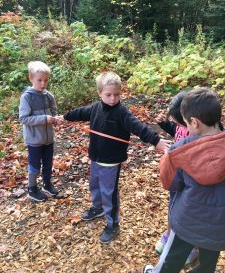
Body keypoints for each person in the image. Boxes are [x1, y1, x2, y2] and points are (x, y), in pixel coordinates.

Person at [59, 71, 170, 244]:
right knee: (94, 185)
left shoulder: (122, 112)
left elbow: (138, 127)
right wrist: (64, 117)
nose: (112, 99)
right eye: (108, 95)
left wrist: (156, 141)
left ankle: (113, 224)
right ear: (100, 93)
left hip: (111, 162)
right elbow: (80, 113)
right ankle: (98, 208)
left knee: (108, 192)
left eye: (116, 95)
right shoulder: (95, 108)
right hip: (95, 157)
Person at [143, 87, 225, 273]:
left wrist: (167, 158)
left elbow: (169, 183)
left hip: (188, 220)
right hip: (220, 224)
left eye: (186, 123)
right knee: (208, 263)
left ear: (194, 122)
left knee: (171, 260)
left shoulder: (179, 151)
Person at [155, 91, 198, 266]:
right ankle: (169, 234)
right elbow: (177, 132)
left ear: (191, 120)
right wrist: (166, 125)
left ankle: (192, 247)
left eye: (177, 121)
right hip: (177, 177)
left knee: (190, 214)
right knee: (173, 207)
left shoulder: (200, 133)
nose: (176, 125)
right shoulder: (184, 126)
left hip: (191, 182)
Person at [19, 61, 59, 202]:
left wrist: (55, 119)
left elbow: (54, 112)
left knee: (48, 163)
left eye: (46, 80)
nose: (43, 84)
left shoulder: (49, 96)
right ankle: (32, 189)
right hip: (35, 139)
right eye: (39, 80)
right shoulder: (27, 97)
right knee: (35, 165)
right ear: (30, 78)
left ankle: (47, 185)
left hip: (48, 139)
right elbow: (24, 118)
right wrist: (44, 119)